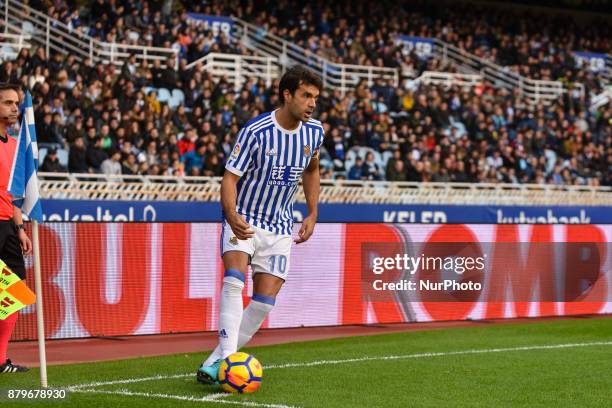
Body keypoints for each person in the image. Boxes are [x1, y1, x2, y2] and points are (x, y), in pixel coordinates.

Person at [197, 66, 324, 384]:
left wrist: (312, 212)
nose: (312, 103)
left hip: (281, 226)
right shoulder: (256, 132)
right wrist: (231, 214)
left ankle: (215, 362)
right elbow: (230, 177)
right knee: (234, 281)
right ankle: (228, 361)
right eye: (306, 95)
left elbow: (311, 169)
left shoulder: (314, 132)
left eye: (315, 98)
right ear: (287, 94)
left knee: (265, 301)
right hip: (246, 220)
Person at [0, 83, 33, 373]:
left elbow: (15, 195)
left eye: (16, 103)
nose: (14, 108)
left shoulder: (13, 146)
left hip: (7, 227)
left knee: (14, 291)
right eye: (8, 102)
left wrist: (20, 228)